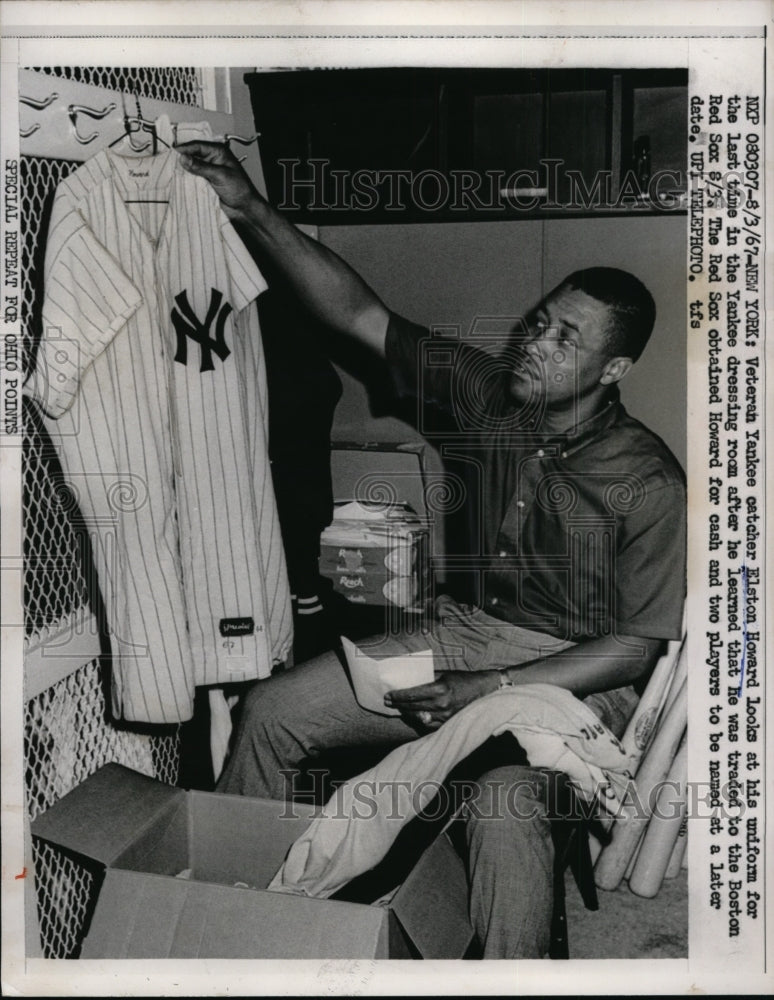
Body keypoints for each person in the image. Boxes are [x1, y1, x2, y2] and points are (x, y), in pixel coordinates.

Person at [176, 141, 686, 958]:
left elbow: (634, 647)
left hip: (573, 681)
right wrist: (251, 208)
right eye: (539, 322)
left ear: (615, 367)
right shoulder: (493, 399)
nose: (536, 343)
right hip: (458, 634)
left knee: (502, 809)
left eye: (567, 339)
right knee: (272, 712)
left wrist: (491, 686)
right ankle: (246, 924)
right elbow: (359, 315)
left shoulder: (649, 479)